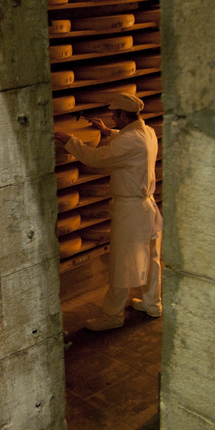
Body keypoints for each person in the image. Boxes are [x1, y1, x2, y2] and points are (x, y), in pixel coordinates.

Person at [54, 93, 163, 331]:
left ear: (124, 115)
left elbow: (96, 158)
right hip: (147, 207)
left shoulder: (129, 141)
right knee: (152, 259)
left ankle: (112, 316)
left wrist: (71, 141)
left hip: (131, 210)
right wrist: (107, 131)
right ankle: (153, 305)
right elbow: (129, 144)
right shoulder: (148, 132)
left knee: (121, 263)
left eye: (115, 115)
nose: (112, 118)